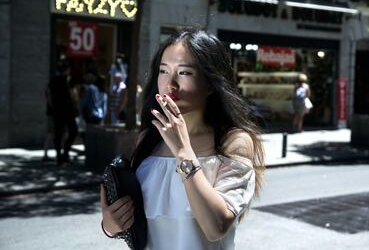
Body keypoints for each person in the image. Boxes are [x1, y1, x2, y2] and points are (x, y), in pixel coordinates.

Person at [100, 29, 265, 249]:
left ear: (210, 83)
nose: (171, 84)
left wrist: (183, 151)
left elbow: (216, 227)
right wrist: (110, 226)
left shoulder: (232, 142)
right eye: (164, 71)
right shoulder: (148, 139)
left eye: (185, 73)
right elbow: (137, 222)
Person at [48, 59, 78, 165]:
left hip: (57, 111)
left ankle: (59, 157)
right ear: (67, 70)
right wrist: (75, 105)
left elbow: (49, 95)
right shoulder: (68, 79)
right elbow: (73, 94)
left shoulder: (53, 80)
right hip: (68, 109)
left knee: (58, 134)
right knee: (73, 131)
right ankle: (65, 153)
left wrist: (53, 107)